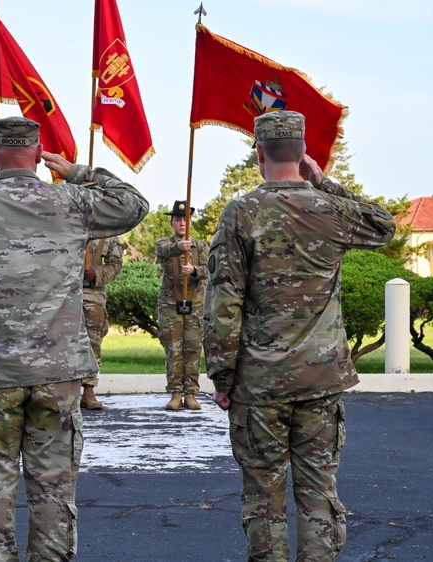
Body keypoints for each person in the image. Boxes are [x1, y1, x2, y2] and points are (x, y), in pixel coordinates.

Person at [0, 116, 148, 561]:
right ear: (40, 152)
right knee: (53, 489)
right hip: (58, 373)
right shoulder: (70, 200)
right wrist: (77, 169)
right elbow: (132, 203)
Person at [203, 110, 396, 561]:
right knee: (318, 491)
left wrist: (222, 378)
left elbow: (223, 303)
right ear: (303, 152)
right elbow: (383, 226)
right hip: (320, 380)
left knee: (263, 496)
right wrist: (324, 181)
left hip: (259, 381)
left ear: (258, 153)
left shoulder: (242, 212)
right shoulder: (330, 209)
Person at [156, 201, 209, 411]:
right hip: (170, 304)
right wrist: (178, 247)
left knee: (193, 348)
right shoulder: (164, 243)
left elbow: (209, 269)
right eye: (177, 219)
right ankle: (175, 393)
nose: (181, 223)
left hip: (194, 303)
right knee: (173, 349)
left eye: (185, 219)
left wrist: (194, 270)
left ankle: (191, 393)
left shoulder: (201, 246)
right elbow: (164, 251)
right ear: (172, 223)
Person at [80, 236, 123, 410]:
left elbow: (115, 264)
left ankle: (88, 392)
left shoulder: (109, 233)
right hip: (62, 293)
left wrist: (95, 274)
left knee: (93, 343)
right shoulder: (68, 220)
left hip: (92, 294)